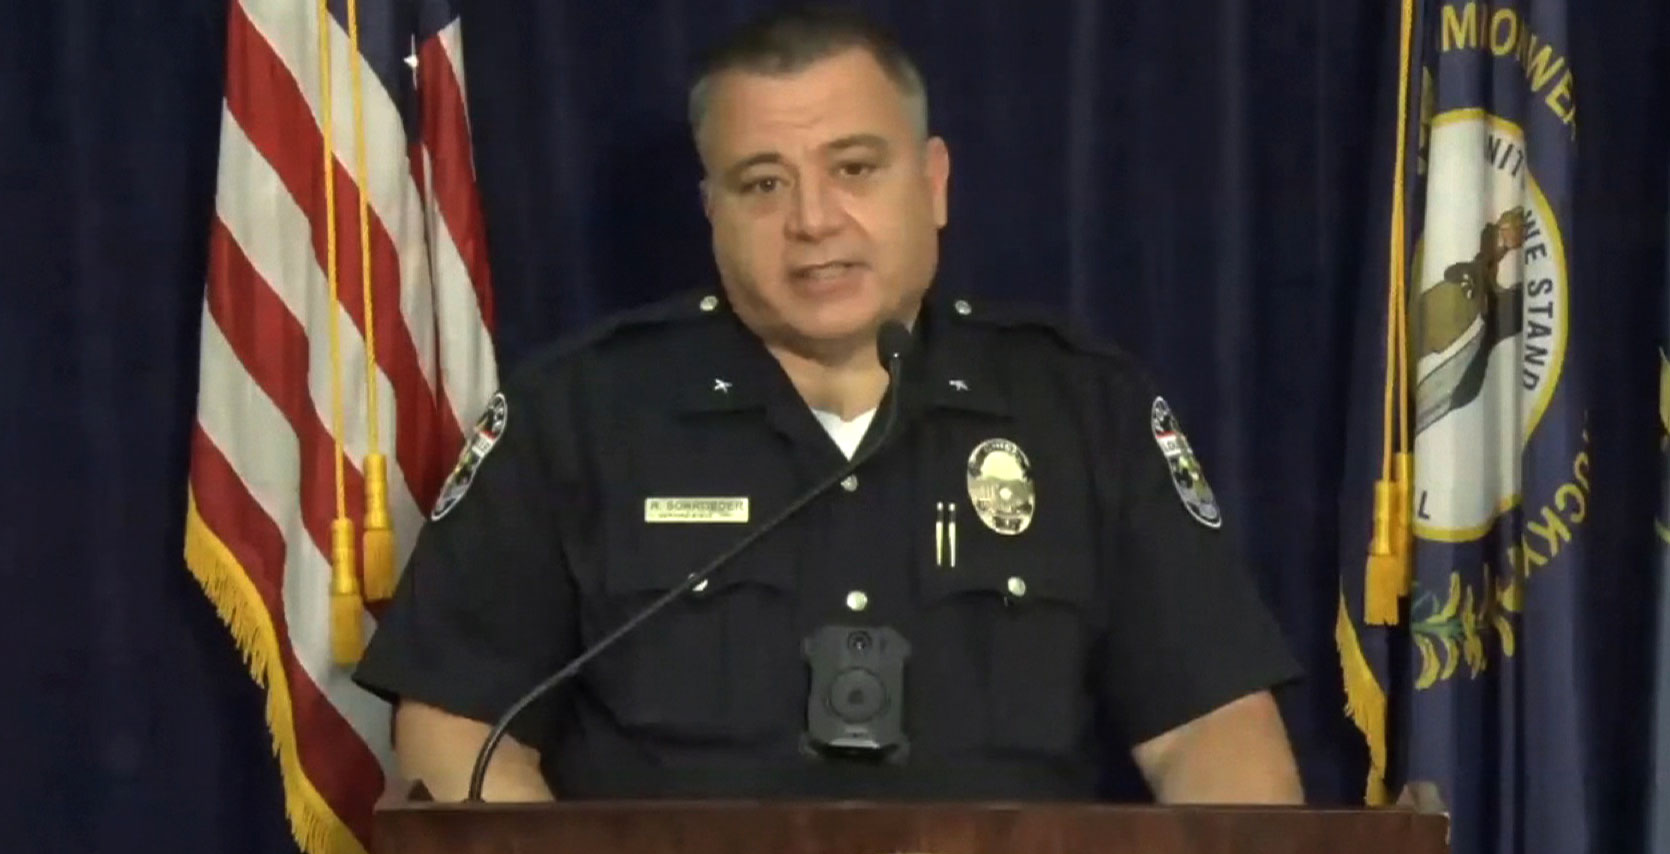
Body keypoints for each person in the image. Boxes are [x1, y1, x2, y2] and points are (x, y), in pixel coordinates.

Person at [352, 3, 1305, 805]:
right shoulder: (578, 417)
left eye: (854, 168)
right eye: (763, 183)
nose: (812, 220)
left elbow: (1213, 734)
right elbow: (457, 724)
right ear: (711, 210)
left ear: (932, 184)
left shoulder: (1082, 409)